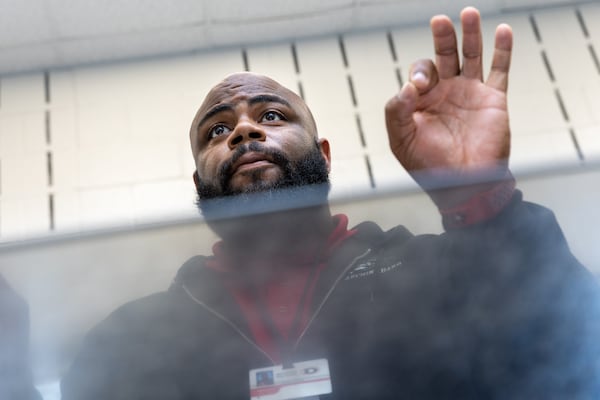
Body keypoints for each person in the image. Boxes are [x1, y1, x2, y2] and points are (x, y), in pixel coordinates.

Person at [58, 7, 600, 399]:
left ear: (323, 154)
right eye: (217, 130)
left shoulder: (436, 271)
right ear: (199, 181)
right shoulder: (130, 340)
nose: (244, 130)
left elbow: (576, 348)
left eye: (271, 116)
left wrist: (480, 196)